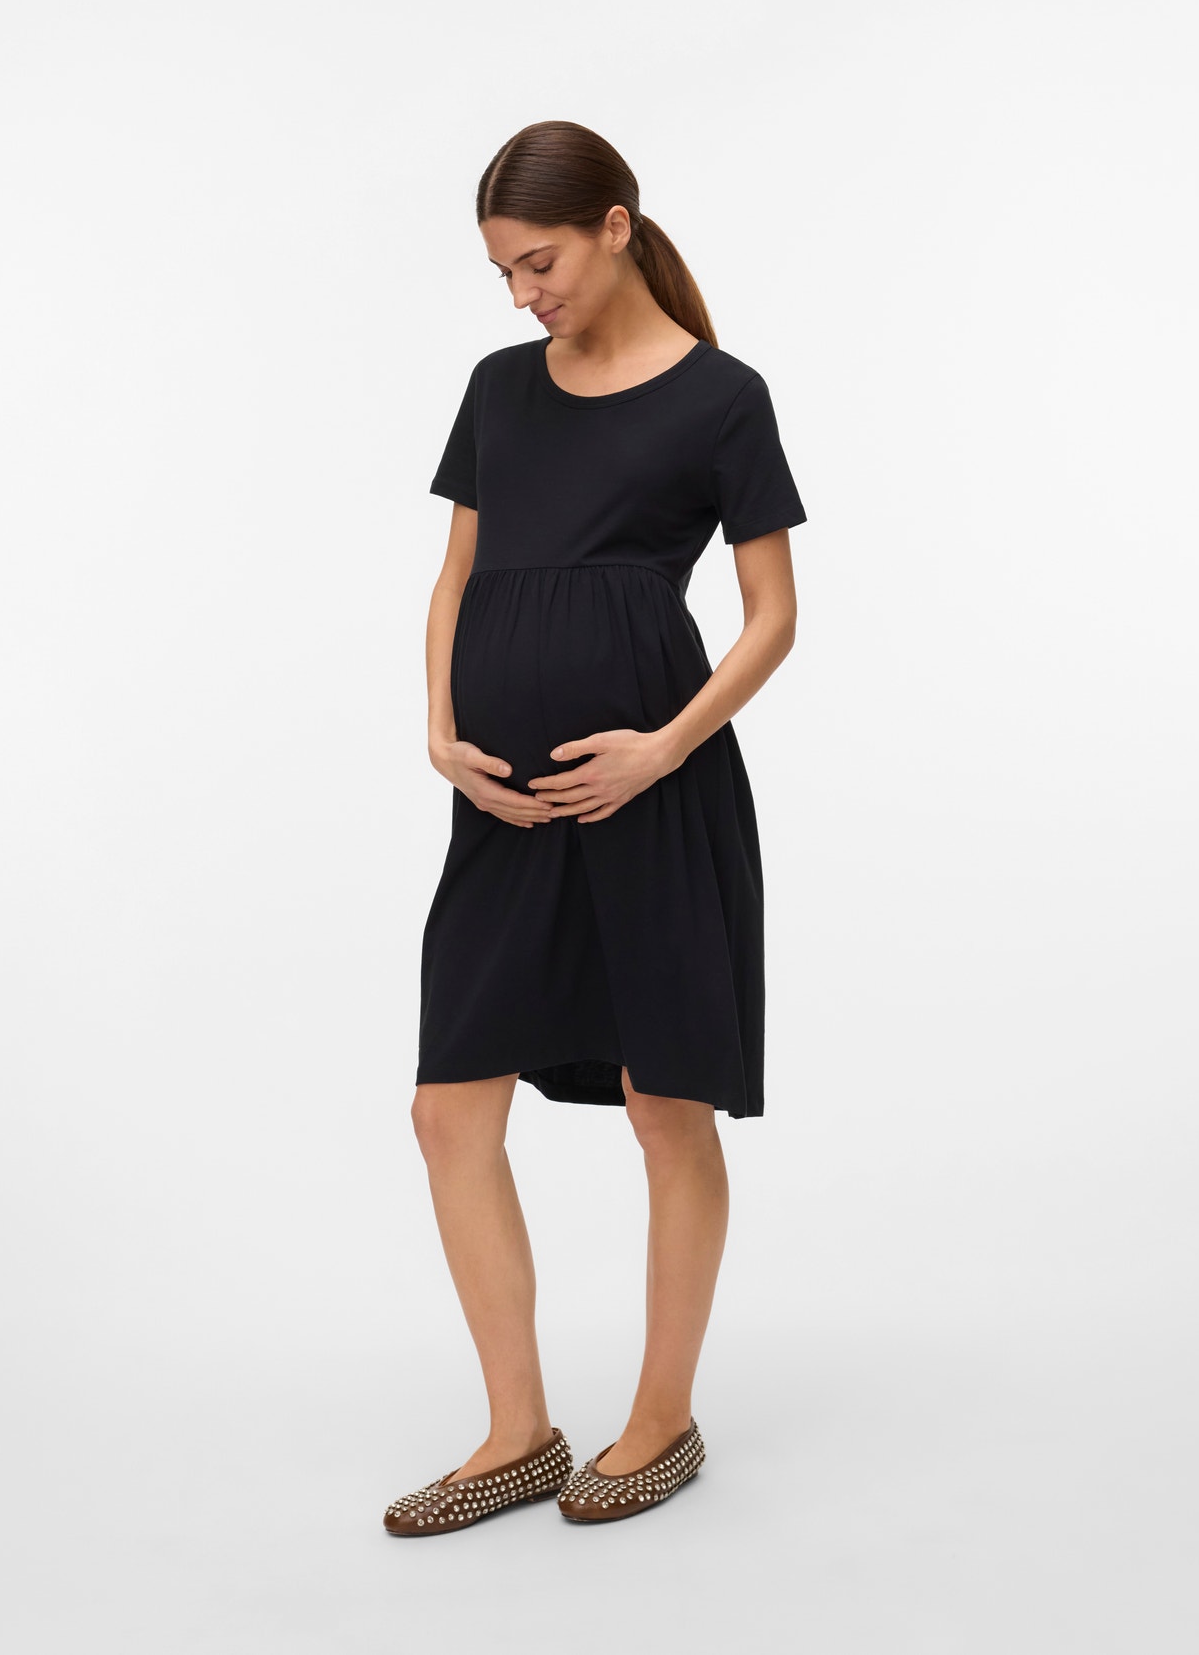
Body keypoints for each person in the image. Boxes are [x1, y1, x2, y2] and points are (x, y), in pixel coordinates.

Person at [384, 120, 807, 1536]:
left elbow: (772, 617)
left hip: (655, 794)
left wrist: (661, 749)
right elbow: (455, 579)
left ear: (615, 226)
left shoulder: (722, 399)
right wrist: (441, 729)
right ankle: (517, 1431)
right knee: (449, 1105)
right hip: (503, 807)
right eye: (505, 273)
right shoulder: (500, 389)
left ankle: (661, 1416)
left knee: (663, 1102)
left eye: (542, 262)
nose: (525, 295)